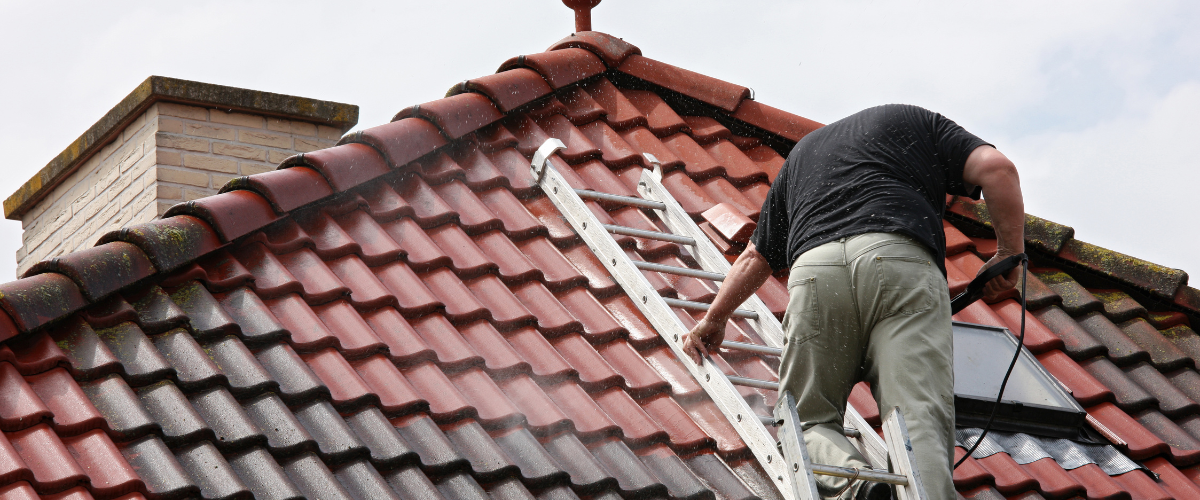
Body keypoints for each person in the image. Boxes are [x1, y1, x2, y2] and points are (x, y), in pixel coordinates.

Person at [682, 104, 1024, 500]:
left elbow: (756, 257)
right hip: (899, 264)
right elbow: (998, 170)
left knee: (807, 421)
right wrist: (1007, 253)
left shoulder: (801, 156)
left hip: (815, 273)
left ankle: (858, 485)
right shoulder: (915, 121)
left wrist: (713, 319)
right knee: (918, 417)